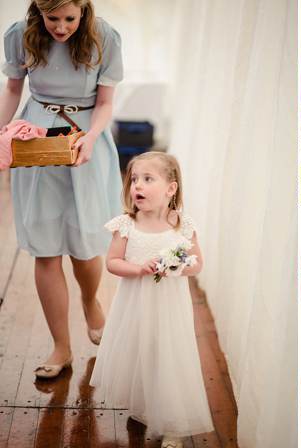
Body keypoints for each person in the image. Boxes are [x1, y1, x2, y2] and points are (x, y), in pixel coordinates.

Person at [0, 0, 123, 378]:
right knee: (45, 246)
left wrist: (91, 138)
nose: (61, 27)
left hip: (86, 137)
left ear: (84, 8)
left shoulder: (105, 37)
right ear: (38, 8)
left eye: (70, 18)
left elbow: (104, 102)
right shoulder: (19, 35)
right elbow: (12, 90)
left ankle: (90, 301)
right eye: (52, 18)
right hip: (36, 136)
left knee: (86, 245)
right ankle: (61, 348)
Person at [89, 151, 214, 448]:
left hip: (170, 307)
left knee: (168, 357)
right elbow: (112, 262)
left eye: (147, 179)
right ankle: (144, 406)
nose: (137, 187)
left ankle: (171, 423)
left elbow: (197, 264)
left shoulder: (181, 224)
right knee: (140, 352)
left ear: (171, 188)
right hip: (134, 304)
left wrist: (174, 265)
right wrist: (137, 268)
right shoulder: (127, 223)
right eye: (134, 180)